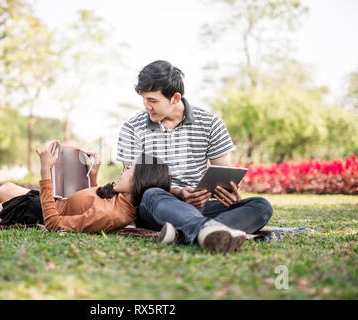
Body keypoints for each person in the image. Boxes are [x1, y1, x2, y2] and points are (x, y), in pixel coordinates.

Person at [116, 60, 273, 254]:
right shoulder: (133, 128)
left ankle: (183, 234)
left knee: (261, 206)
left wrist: (230, 194)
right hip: (157, 208)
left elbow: (224, 175)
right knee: (151, 194)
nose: (147, 106)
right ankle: (206, 230)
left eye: (153, 101)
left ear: (175, 98)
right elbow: (134, 186)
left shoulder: (210, 123)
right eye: (144, 99)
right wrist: (179, 194)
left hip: (202, 205)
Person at [0, 142, 171, 234]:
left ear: (139, 181)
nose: (123, 168)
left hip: (39, 211)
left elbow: (54, 223)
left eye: (129, 169)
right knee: (4, 189)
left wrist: (45, 172)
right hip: (49, 203)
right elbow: (94, 203)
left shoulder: (113, 214)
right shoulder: (119, 203)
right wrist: (93, 175)